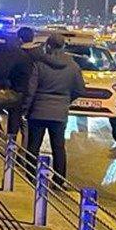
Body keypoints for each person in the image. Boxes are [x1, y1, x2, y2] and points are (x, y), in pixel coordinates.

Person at [23, 33, 86, 180]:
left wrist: (26, 108)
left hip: (38, 111)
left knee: (33, 146)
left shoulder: (39, 64)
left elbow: (31, 89)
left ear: (48, 46)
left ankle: (30, 176)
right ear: (64, 46)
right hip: (59, 113)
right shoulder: (73, 66)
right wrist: (66, 99)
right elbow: (80, 89)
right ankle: (59, 180)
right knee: (58, 148)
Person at [0, 26, 35, 140]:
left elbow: (3, 71)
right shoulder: (38, 54)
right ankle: (15, 149)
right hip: (29, 94)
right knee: (18, 120)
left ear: (19, 39)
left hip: (14, 91)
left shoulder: (17, 54)